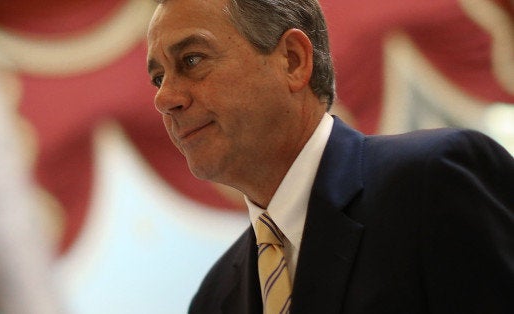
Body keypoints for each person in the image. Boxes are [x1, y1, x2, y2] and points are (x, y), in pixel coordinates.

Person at [145, 0, 514, 313]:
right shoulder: (215, 297)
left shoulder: (433, 181)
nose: (164, 100)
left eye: (191, 60)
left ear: (292, 60)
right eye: (158, 78)